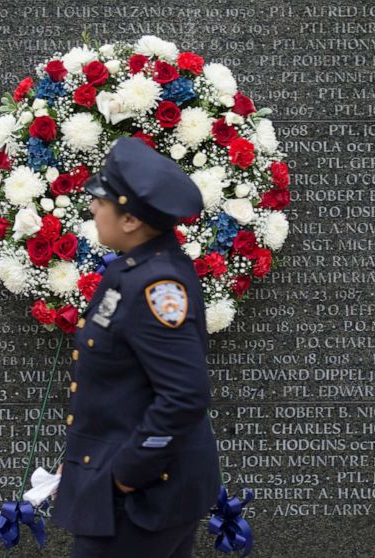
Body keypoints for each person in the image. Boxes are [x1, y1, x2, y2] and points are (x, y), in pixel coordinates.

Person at [49, 136, 221, 558]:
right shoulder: (133, 271)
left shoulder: (157, 286)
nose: (93, 208)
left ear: (130, 221)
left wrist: (126, 473)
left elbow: (184, 396)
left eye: (102, 201)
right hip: (136, 489)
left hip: (142, 499)